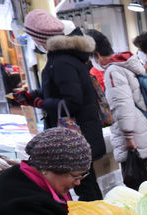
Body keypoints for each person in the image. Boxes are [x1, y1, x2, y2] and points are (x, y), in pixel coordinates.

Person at [19, 9, 105, 201]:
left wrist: (41, 102)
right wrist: (34, 96)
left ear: (41, 38)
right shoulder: (66, 58)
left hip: (77, 136)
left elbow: (72, 102)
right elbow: (59, 91)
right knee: (85, 185)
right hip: (81, 135)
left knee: (84, 186)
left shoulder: (62, 62)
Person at [86, 30, 147, 181]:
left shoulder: (113, 71)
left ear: (96, 54)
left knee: (139, 187)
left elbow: (122, 106)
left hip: (135, 137)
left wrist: (128, 137)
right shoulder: (130, 65)